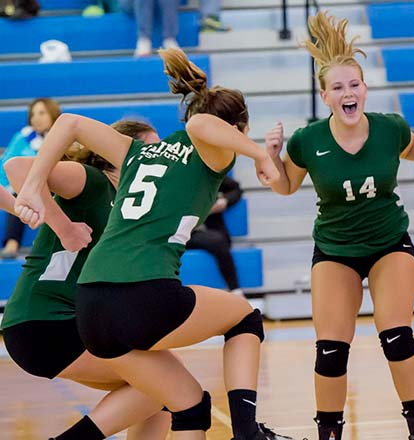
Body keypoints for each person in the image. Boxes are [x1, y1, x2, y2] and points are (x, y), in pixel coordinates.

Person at [13, 48, 294, 440]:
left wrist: (30, 188)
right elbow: (202, 129)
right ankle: (248, 432)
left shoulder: (136, 153)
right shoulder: (211, 151)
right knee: (244, 317)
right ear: (238, 128)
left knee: (187, 405)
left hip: (91, 307)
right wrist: (258, 152)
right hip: (142, 294)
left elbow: (71, 122)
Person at [263, 11, 414, 440]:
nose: (348, 92)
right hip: (335, 249)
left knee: (396, 336)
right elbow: (285, 186)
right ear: (324, 96)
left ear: (365, 89)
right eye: (338, 87)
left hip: (390, 243)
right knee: (331, 351)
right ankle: (329, 433)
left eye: (355, 84)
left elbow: (410, 146)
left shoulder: (390, 127)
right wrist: (273, 158)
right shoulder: (308, 140)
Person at [2, 121, 172, 440]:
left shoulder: (127, 202)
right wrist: (62, 226)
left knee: (162, 391)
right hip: (42, 323)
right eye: (151, 148)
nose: (159, 155)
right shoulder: (91, 181)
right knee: (164, 381)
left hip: (63, 323)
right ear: (116, 150)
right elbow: (16, 167)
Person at [1, 98, 61, 259]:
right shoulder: (21, 138)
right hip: (25, 188)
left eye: (42, 113)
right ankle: (11, 244)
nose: (36, 118)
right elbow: (5, 164)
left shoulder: (63, 137)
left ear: (53, 114)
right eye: (33, 114)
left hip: (54, 187)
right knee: (19, 197)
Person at [186, 174, 242, 294]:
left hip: (206, 231)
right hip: (180, 231)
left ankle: (236, 290)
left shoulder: (207, 173)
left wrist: (225, 201)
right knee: (217, 241)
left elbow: (236, 189)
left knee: (218, 241)